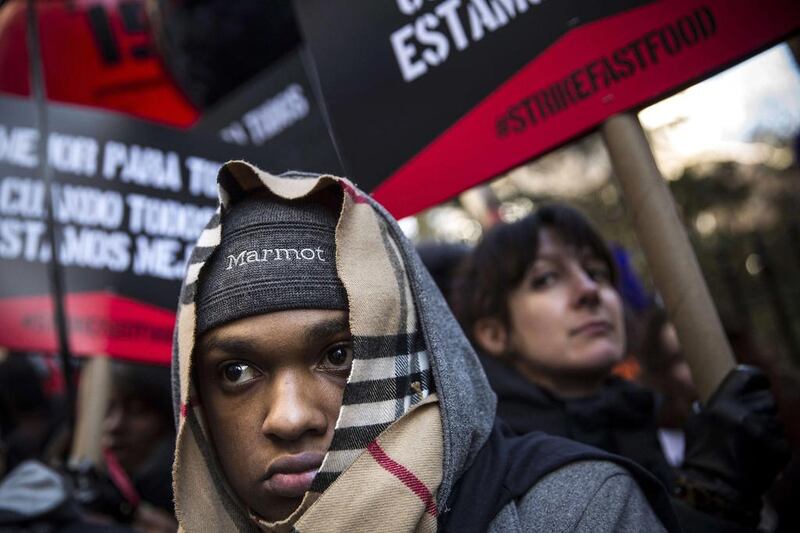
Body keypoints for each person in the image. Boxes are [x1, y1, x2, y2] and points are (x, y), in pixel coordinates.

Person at [169, 162, 679, 532]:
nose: (290, 417)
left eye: (340, 356)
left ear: (416, 353)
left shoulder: (574, 511)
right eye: (236, 371)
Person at [451, 203, 790, 532]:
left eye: (596, 272)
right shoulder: (496, 473)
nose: (589, 290)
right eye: (546, 278)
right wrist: (715, 494)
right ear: (494, 334)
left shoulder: (644, 418)